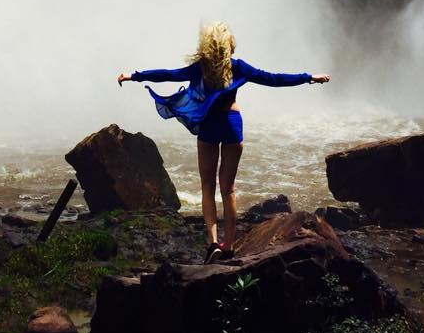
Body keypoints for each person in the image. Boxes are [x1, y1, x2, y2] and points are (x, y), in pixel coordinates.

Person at [117, 22, 330, 264]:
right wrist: (308, 78)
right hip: (231, 123)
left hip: (209, 126)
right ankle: (228, 245)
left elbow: (168, 74)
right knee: (228, 189)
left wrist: (135, 76)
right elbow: (273, 78)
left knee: (207, 187)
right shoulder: (238, 67)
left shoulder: (201, 68)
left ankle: (212, 244)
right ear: (230, 45)